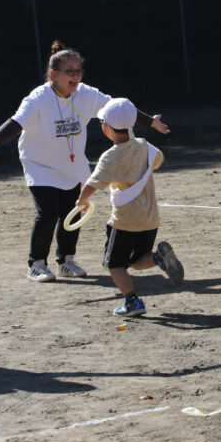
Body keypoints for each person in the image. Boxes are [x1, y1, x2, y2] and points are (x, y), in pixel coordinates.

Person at [0, 42, 170, 282]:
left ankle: (66, 261)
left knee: (72, 210)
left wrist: (150, 122)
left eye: (78, 70)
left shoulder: (86, 94)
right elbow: (17, 122)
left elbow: (118, 108)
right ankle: (37, 264)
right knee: (48, 213)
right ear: (54, 74)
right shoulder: (38, 98)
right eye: (69, 71)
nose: (75, 75)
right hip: (40, 165)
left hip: (72, 165)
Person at [75, 97, 183, 316]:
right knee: (136, 260)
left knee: (115, 264)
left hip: (125, 220)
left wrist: (81, 201)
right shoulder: (143, 145)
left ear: (106, 127)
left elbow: (92, 184)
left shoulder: (111, 157)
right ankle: (158, 258)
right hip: (150, 217)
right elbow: (159, 159)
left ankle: (132, 301)